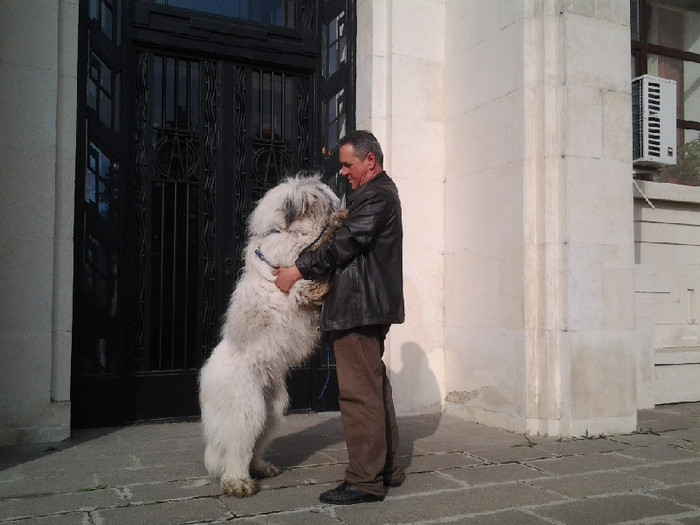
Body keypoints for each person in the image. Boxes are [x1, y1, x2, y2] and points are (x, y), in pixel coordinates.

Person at [274, 130, 405, 505]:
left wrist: (297, 270)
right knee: (374, 389)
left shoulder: (377, 196)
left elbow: (345, 243)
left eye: (348, 164)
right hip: (363, 305)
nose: (343, 172)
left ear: (370, 161)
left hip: (359, 307)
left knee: (358, 394)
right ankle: (387, 469)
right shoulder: (372, 194)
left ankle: (364, 481)